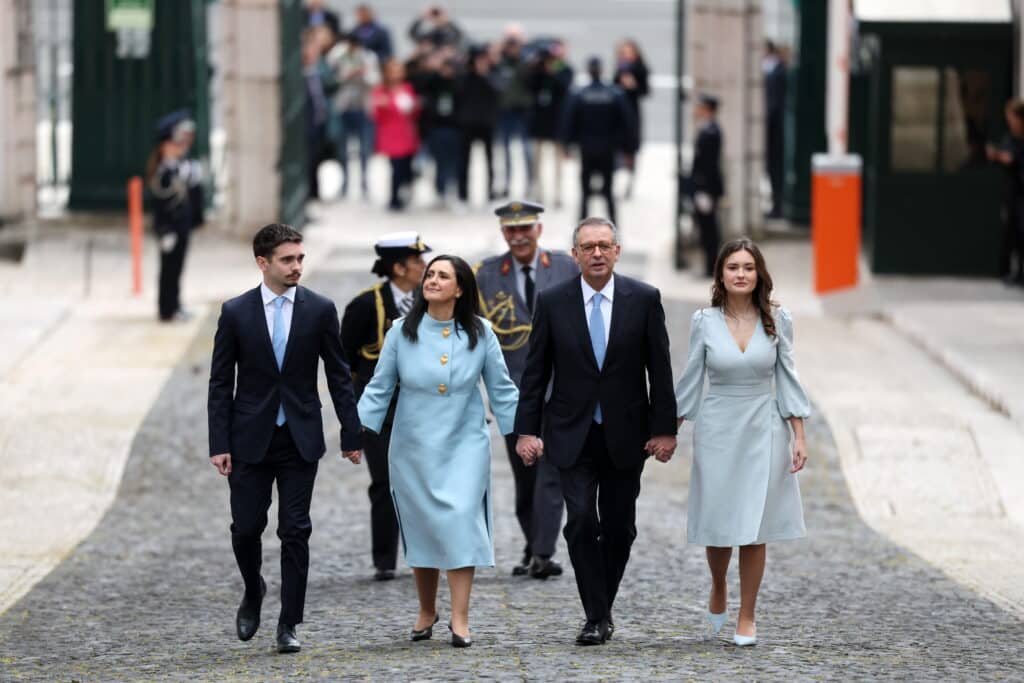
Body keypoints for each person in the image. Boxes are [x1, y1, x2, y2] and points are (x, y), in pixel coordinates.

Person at [515, 217, 677, 645]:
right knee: (582, 519)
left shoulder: (642, 298)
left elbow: (659, 369)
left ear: (617, 251)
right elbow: (535, 373)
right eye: (588, 247)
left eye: (605, 245)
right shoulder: (552, 302)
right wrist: (525, 431)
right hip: (571, 432)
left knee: (620, 526)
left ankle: (600, 609)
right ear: (575, 255)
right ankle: (596, 615)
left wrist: (664, 429)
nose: (597, 254)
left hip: (627, 434)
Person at [207, 223, 363, 654]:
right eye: (287, 259)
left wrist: (351, 432)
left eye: (300, 258)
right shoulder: (236, 312)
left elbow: (338, 375)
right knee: (245, 529)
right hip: (248, 439)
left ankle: (289, 622)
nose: (296, 266)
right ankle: (253, 588)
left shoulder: (319, 309)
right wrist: (218, 442)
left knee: (295, 530)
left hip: (300, 437)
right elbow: (220, 382)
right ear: (263, 263)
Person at [358, 255, 519, 648]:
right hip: (412, 446)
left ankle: (460, 618)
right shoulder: (401, 331)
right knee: (424, 526)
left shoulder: (481, 332)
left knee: (461, 521)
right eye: (430, 274)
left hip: (464, 443)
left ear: (459, 288)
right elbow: (380, 386)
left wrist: (523, 435)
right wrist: (357, 432)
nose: (431, 280)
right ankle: (427, 609)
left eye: (442, 276)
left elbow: (501, 388)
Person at [674, 238, 809, 647]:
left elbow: (788, 376)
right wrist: (668, 429)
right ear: (721, 274)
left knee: (755, 525)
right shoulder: (704, 320)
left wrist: (799, 434)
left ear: (759, 274)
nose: (741, 274)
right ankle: (719, 585)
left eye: (749, 267)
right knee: (718, 524)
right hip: (717, 426)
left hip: (763, 426)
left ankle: (747, 614)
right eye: (733, 267)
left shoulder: (777, 318)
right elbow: (692, 377)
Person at [475, 201, 579, 579]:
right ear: (503, 233)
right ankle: (533, 543)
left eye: (525, 229)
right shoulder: (486, 274)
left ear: (539, 229)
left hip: (563, 390)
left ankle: (543, 551)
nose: (519, 236)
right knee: (526, 478)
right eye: (511, 230)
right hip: (514, 396)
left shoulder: (567, 267)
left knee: (552, 474)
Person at [341, 232, 431, 582]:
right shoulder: (366, 306)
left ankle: (426, 553)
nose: (425, 269)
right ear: (398, 268)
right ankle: (385, 559)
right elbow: (344, 367)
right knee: (384, 481)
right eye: (418, 263)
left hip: (424, 411)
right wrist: (352, 421)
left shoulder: (434, 301)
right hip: (379, 414)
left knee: (425, 483)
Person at [561, 57, 637, 228]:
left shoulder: (579, 94)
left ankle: (582, 227)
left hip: (587, 149)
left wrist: (567, 146)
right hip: (607, 149)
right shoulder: (614, 94)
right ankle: (614, 227)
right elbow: (627, 123)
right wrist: (628, 149)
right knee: (609, 191)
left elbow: (568, 122)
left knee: (585, 192)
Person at [146, 109, 204, 323]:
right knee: (168, 270)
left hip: (183, 226)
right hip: (170, 229)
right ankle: (166, 309)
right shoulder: (163, 172)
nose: (181, 147)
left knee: (178, 268)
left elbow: (193, 199)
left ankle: (176, 305)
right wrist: (163, 231)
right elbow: (161, 206)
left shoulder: (184, 167)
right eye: (176, 143)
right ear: (165, 145)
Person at [326, 31, 378, 200]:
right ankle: (345, 184)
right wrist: (345, 74)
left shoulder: (368, 57)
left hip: (363, 107)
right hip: (343, 107)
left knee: (364, 149)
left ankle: (364, 184)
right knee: (343, 149)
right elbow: (330, 78)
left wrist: (363, 74)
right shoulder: (337, 55)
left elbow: (375, 80)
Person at [528, 42, 574, 209]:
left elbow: (565, 88)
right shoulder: (538, 69)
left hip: (557, 122)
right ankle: (539, 192)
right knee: (537, 160)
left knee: (558, 161)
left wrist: (553, 73)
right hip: (540, 121)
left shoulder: (566, 69)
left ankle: (557, 194)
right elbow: (530, 86)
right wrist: (537, 68)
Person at [371, 59, 421, 211]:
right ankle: (394, 198)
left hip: (406, 133)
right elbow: (377, 115)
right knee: (396, 166)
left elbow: (414, 112)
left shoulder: (407, 88)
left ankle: (404, 191)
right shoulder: (381, 90)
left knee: (406, 166)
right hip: (390, 134)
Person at [494, 24, 535, 198]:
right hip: (504, 110)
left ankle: (530, 184)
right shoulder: (498, 60)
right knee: (504, 150)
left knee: (526, 149)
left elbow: (533, 80)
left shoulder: (527, 60)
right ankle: (506, 183)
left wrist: (523, 55)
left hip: (523, 110)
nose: (512, 45)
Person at [987, 99, 1024, 286]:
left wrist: (1002, 157)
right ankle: (1014, 273)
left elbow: (1011, 159)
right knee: (1013, 234)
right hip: (1012, 192)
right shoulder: (1009, 138)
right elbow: (1005, 156)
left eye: (1012, 116)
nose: (1009, 120)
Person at [456, 45, 499, 204]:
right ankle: (463, 195)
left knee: (490, 161)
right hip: (467, 122)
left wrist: (485, 74)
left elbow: (499, 90)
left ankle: (490, 194)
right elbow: (458, 91)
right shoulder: (464, 76)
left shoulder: (494, 73)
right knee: (464, 161)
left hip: (487, 122)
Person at [688, 94, 724, 278]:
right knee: (705, 227)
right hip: (703, 187)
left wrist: (702, 188)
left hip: (706, 188)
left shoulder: (711, 132)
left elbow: (708, 165)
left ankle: (711, 266)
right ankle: (709, 264)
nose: (696, 110)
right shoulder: (706, 129)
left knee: (709, 228)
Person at [612, 39, 650, 200]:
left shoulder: (640, 69)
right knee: (616, 148)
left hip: (632, 114)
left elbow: (645, 91)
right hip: (618, 114)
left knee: (631, 149)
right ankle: (615, 181)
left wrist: (633, 86)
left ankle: (629, 184)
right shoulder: (619, 68)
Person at [421, 57, 462, 206]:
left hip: (454, 128)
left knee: (453, 161)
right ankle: (440, 190)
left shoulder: (458, 84)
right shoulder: (434, 84)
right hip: (437, 128)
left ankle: (451, 189)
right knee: (439, 161)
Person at [763, 40, 787, 218]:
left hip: (776, 128)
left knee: (776, 167)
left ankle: (778, 206)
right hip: (772, 128)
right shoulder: (770, 71)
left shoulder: (778, 72)